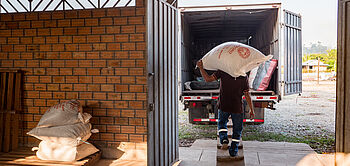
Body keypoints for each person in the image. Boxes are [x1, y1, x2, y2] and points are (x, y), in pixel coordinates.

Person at [196, 60, 255, 159]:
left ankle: (223, 138)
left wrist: (201, 68)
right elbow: (247, 95)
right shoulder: (243, 76)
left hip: (224, 105)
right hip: (237, 107)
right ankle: (233, 150)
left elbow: (208, 79)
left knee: (222, 123)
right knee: (237, 129)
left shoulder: (223, 71)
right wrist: (251, 109)